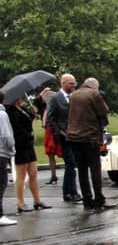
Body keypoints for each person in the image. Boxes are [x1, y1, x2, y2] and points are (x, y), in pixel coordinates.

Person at [66, 77, 110, 210]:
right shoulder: (94, 94)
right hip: (90, 136)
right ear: (94, 86)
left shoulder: (74, 95)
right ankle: (99, 198)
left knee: (82, 170)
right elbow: (104, 110)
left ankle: (87, 199)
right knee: (95, 169)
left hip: (74, 137)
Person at [8, 94, 52, 213]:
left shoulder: (21, 109)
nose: (21, 99)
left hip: (28, 145)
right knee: (21, 175)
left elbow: (27, 121)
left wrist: (32, 113)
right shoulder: (11, 111)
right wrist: (29, 135)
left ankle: (37, 200)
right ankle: (20, 202)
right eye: (19, 97)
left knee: (33, 173)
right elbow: (17, 129)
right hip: (20, 145)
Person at [46, 73, 81, 203]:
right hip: (63, 136)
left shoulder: (75, 97)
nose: (74, 86)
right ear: (63, 83)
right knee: (70, 163)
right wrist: (58, 133)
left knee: (72, 164)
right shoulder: (56, 98)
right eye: (71, 83)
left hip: (74, 135)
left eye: (74, 83)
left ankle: (70, 191)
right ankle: (70, 192)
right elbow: (50, 118)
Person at [36, 87, 60, 185]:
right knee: (50, 154)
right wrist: (43, 92)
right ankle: (53, 175)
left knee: (64, 153)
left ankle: (69, 173)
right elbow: (36, 101)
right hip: (48, 131)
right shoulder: (44, 108)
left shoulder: (57, 106)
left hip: (56, 131)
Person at [0, 90, 16, 226]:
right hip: (1, 152)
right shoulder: (2, 114)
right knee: (2, 183)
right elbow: (7, 136)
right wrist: (11, 149)